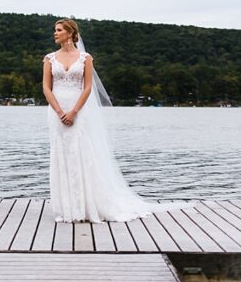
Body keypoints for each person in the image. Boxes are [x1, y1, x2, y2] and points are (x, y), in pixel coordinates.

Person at [42, 18, 194, 222]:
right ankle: (67, 208)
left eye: (59, 30)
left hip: (78, 111)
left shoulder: (85, 58)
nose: (55, 33)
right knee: (62, 155)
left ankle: (85, 205)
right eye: (55, 30)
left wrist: (74, 112)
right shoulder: (49, 59)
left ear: (69, 33)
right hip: (57, 110)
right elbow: (46, 87)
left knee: (82, 153)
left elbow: (87, 88)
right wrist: (60, 112)